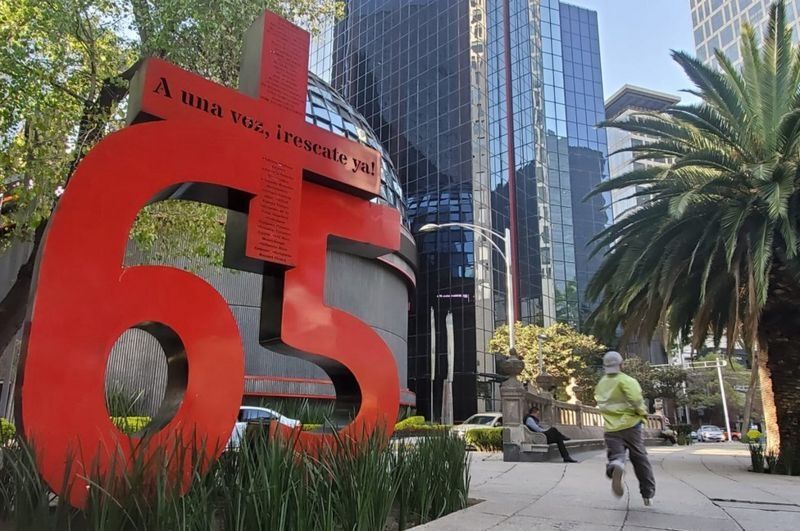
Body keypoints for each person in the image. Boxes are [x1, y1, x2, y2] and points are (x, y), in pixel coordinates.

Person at [594, 351, 656, 506]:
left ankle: (617, 465)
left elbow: (600, 403)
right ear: (621, 365)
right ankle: (647, 494)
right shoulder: (627, 380)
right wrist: (642, 413)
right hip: (631, 425)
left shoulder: (601, 384)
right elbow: (636, 400)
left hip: (611, 428)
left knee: (616, 455)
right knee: (640, 458)